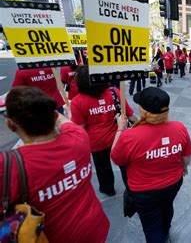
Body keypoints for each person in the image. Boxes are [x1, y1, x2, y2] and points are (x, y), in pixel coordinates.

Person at [2, 86, 110, 242]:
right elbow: (65, 120)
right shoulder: (78, 137)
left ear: (11, 125)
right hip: (94, 227)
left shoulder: (7, 166)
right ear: (53, 116)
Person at [111, 87, 191, 243]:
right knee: (167, 206)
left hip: (144, 191)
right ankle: (166, 228)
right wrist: (182, 167)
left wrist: (120, 129)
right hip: (173, 183)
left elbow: (116, 158)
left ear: (143, 110)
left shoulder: (129, 136)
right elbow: (186, 159)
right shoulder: (179, 128)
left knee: (151, 226)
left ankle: (160, 234)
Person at [71, 66, 138, 196]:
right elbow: (130, 115)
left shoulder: (77, 102)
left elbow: (80, 129)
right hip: (119, 139)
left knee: (103, 168)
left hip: (96, 143)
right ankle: (131, 190)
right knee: (125, 166)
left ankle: (108, 189)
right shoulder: (114, 92)